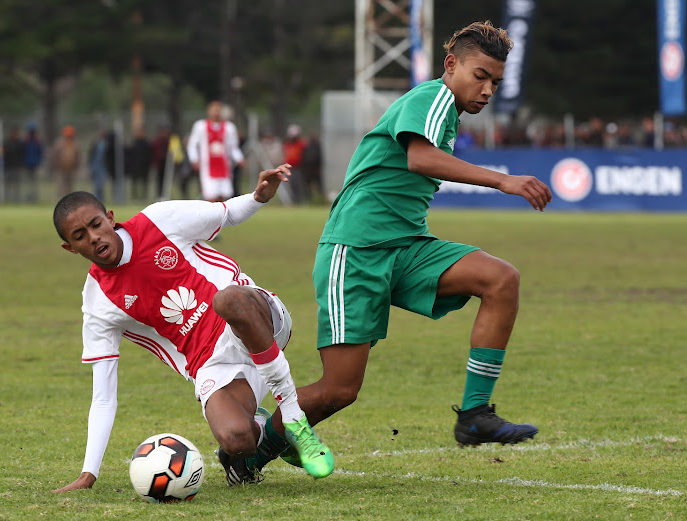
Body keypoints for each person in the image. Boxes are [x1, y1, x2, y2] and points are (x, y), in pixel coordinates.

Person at [229, 20, 552, 478]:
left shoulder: (449, 111)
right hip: (356, 250)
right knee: (340, 389)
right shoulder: (433, 97)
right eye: (480, 76)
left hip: (406, 245)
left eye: (495, 82)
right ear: (451, 64)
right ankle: (248, 455)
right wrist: (503, 179)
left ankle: (475, 415)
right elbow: (419, 157)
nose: (487, 90)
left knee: (501, 279)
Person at [50, 163, 334, 493]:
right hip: (211, 363)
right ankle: (265, 431)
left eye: (96, 224)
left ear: (110, 218)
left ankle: (294, 418)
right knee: (236, 439)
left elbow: (225, 213)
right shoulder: (99, 302)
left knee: (227, 300)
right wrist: (89, 473)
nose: (94, 237)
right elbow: (103, 396)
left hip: (255, 317)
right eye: (80, 236)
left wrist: (258, 197)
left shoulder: (158, 219)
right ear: (70, 248)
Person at [186, 100, 245, 202]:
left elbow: (233, 147)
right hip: (207, 166)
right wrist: (194, 159)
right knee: (211, 196)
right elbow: (192, 145)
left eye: (218, 110)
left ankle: (222, 217)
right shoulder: (200, 126)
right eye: (214, 110)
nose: (216, 112)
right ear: (209, 111)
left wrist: (239, 158)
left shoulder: (229, 127)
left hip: (224, 166)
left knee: (224, 195)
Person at [49, 125, 81, 199]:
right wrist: (54, 166)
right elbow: (54, 156)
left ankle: (69, 204)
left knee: (70, 189)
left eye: (70, 135)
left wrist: (77, 167)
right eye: (67, 135)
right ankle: (60, 204)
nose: (69, 137)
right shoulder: (58, 143)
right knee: (61, 188)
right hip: (60, 169)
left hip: (71, 169)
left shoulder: (75, 144)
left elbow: (78, 157)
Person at [283, 124, 307, 204]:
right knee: (291, 184)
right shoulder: (287, 144)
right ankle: (293, 200)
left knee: (299, 184)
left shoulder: (301, 144)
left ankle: (300, 200)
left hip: (298, 167)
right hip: (289, 168)